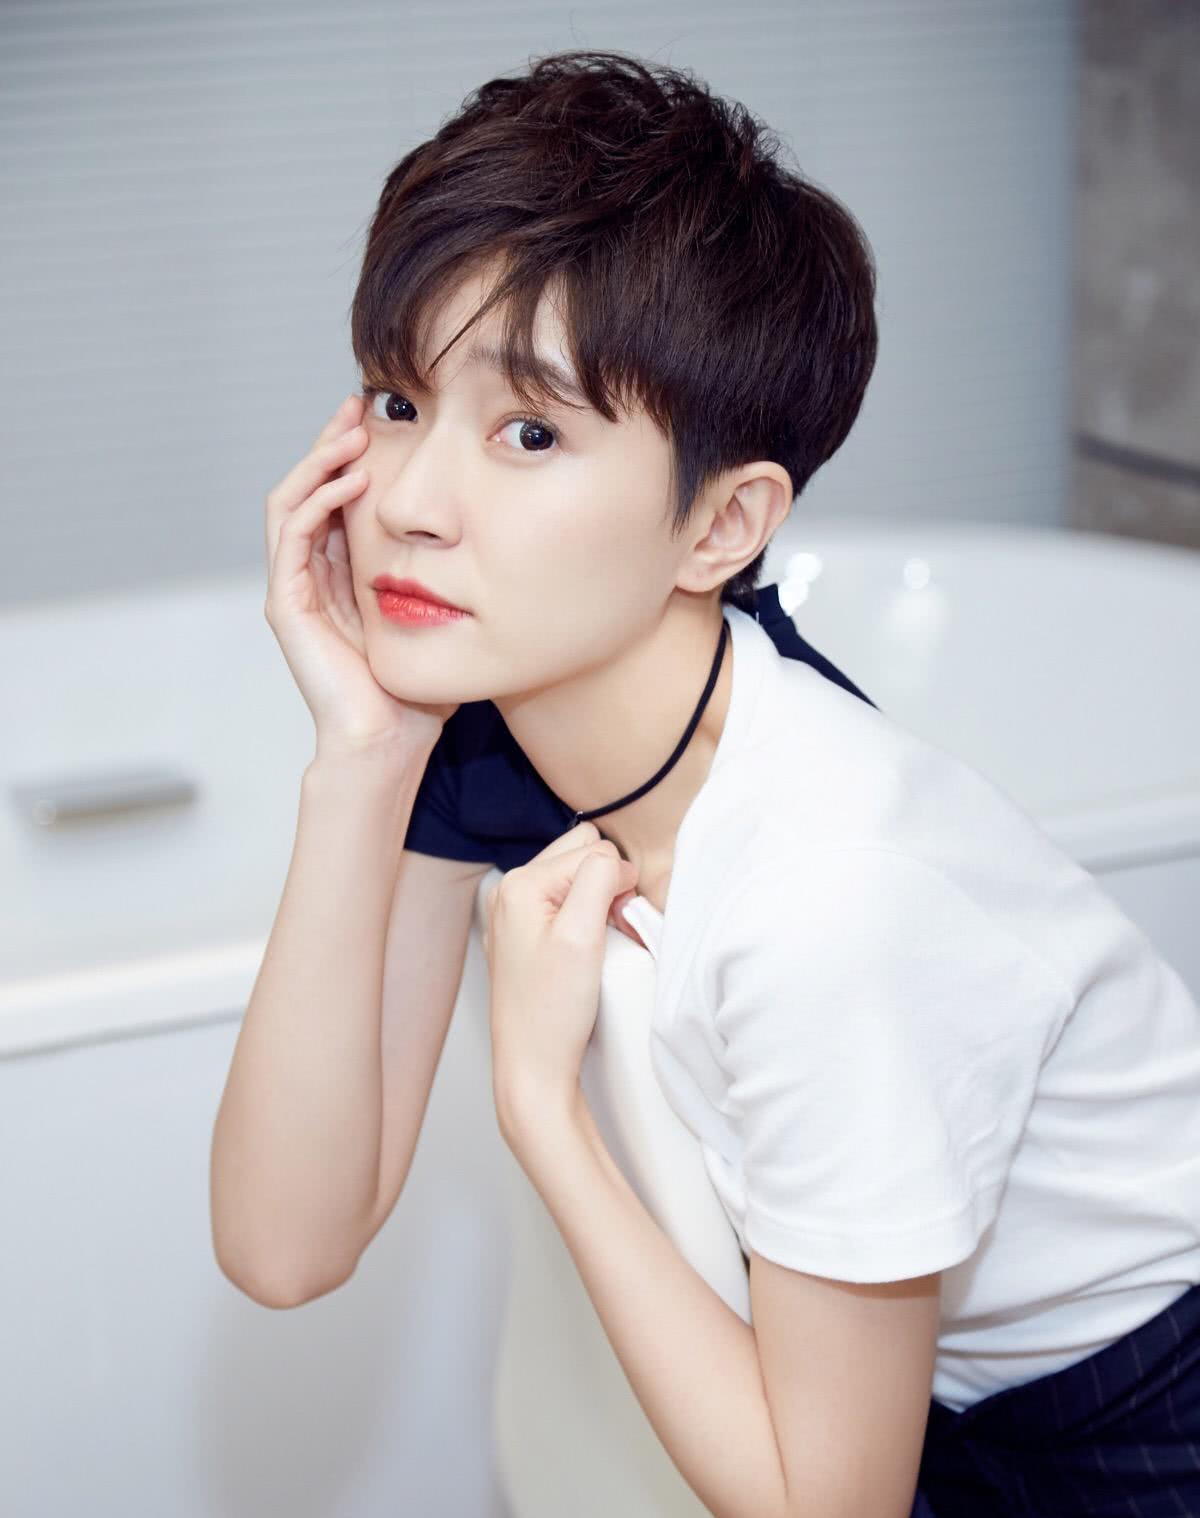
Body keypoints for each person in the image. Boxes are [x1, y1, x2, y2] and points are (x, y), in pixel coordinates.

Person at [215, 48, 1200, 1516]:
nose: (407, 504)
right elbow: (286, 1246)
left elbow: (828, 1506)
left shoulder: (829, 894)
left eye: (530, 432)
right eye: (397, 399)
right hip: (915, 1398)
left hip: (1148, 1418)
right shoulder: (489, 727)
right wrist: (361, 753)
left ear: (722, 525)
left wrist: (544, 1111)